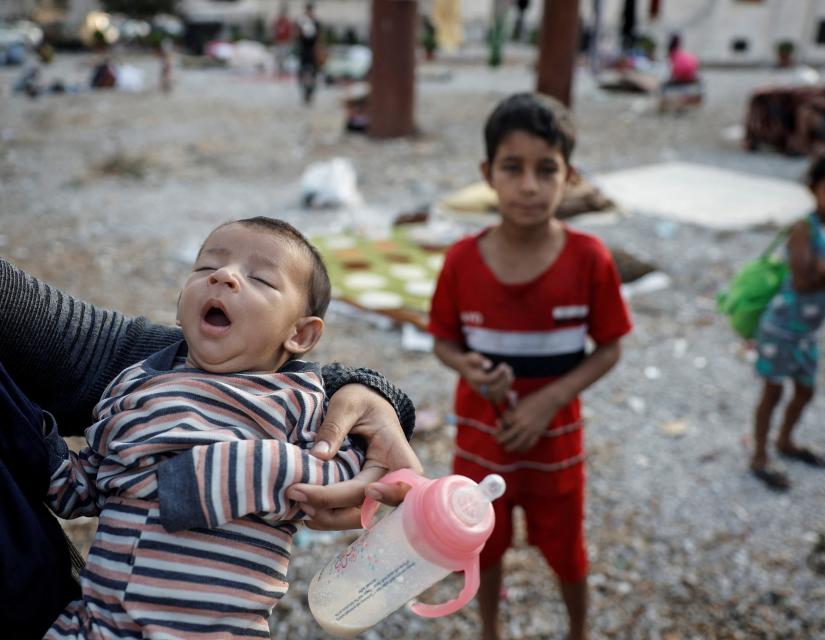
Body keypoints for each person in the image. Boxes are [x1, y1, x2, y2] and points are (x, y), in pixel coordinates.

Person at [0, 242, 419, 636]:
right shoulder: (135, 386)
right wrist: (39, 446)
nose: (223, 276)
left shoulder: (296, 402)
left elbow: (337, 471)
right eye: (206, 266)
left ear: (301, 335)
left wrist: (209, 479)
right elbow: (85, 485)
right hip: (95, 624)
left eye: (261, 279)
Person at [429, 93, 632, 640]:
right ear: (487, 174)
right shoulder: (461, 261)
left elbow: (611, 346)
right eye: (512, 168)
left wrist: (546, 401)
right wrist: (468, 368)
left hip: (555, 446)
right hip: (481, 442)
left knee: (567, 553)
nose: (528, 186)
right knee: (481, 545)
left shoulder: (590, 258)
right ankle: (489, 630)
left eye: (547, 170)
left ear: (569, 177)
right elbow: (443, 342)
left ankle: (578, 630)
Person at [750, 151, 825, 491]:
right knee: (772, 392)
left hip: (808, 334)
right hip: (781, 328)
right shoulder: (804, 228)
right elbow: (803, 280)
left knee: (805, 390)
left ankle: (785, 441)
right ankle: (759, 455)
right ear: (814, 188)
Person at [295, 2, 325, 104]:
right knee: (302, 73)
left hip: (312, 51)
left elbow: (319, 37)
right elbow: (298, 36)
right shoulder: (302, 22)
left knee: (313, 73)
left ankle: (310, 92)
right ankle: (305, 93)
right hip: (304, 51)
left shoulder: (316, 23)